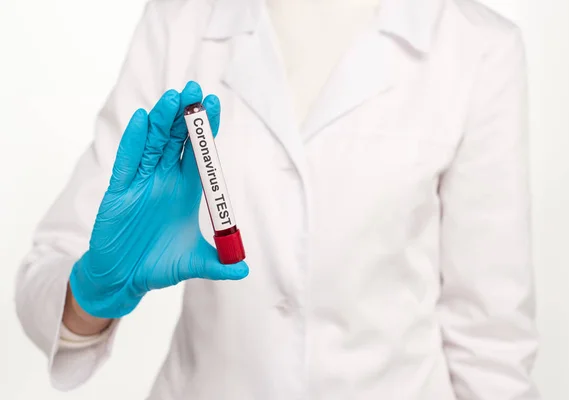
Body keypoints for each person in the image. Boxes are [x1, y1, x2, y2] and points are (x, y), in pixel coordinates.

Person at [15, 0, 540, 398]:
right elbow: (48, 269)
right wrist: (94, 292)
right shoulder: (184, 20)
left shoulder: (476, 47)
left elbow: (491, 345)